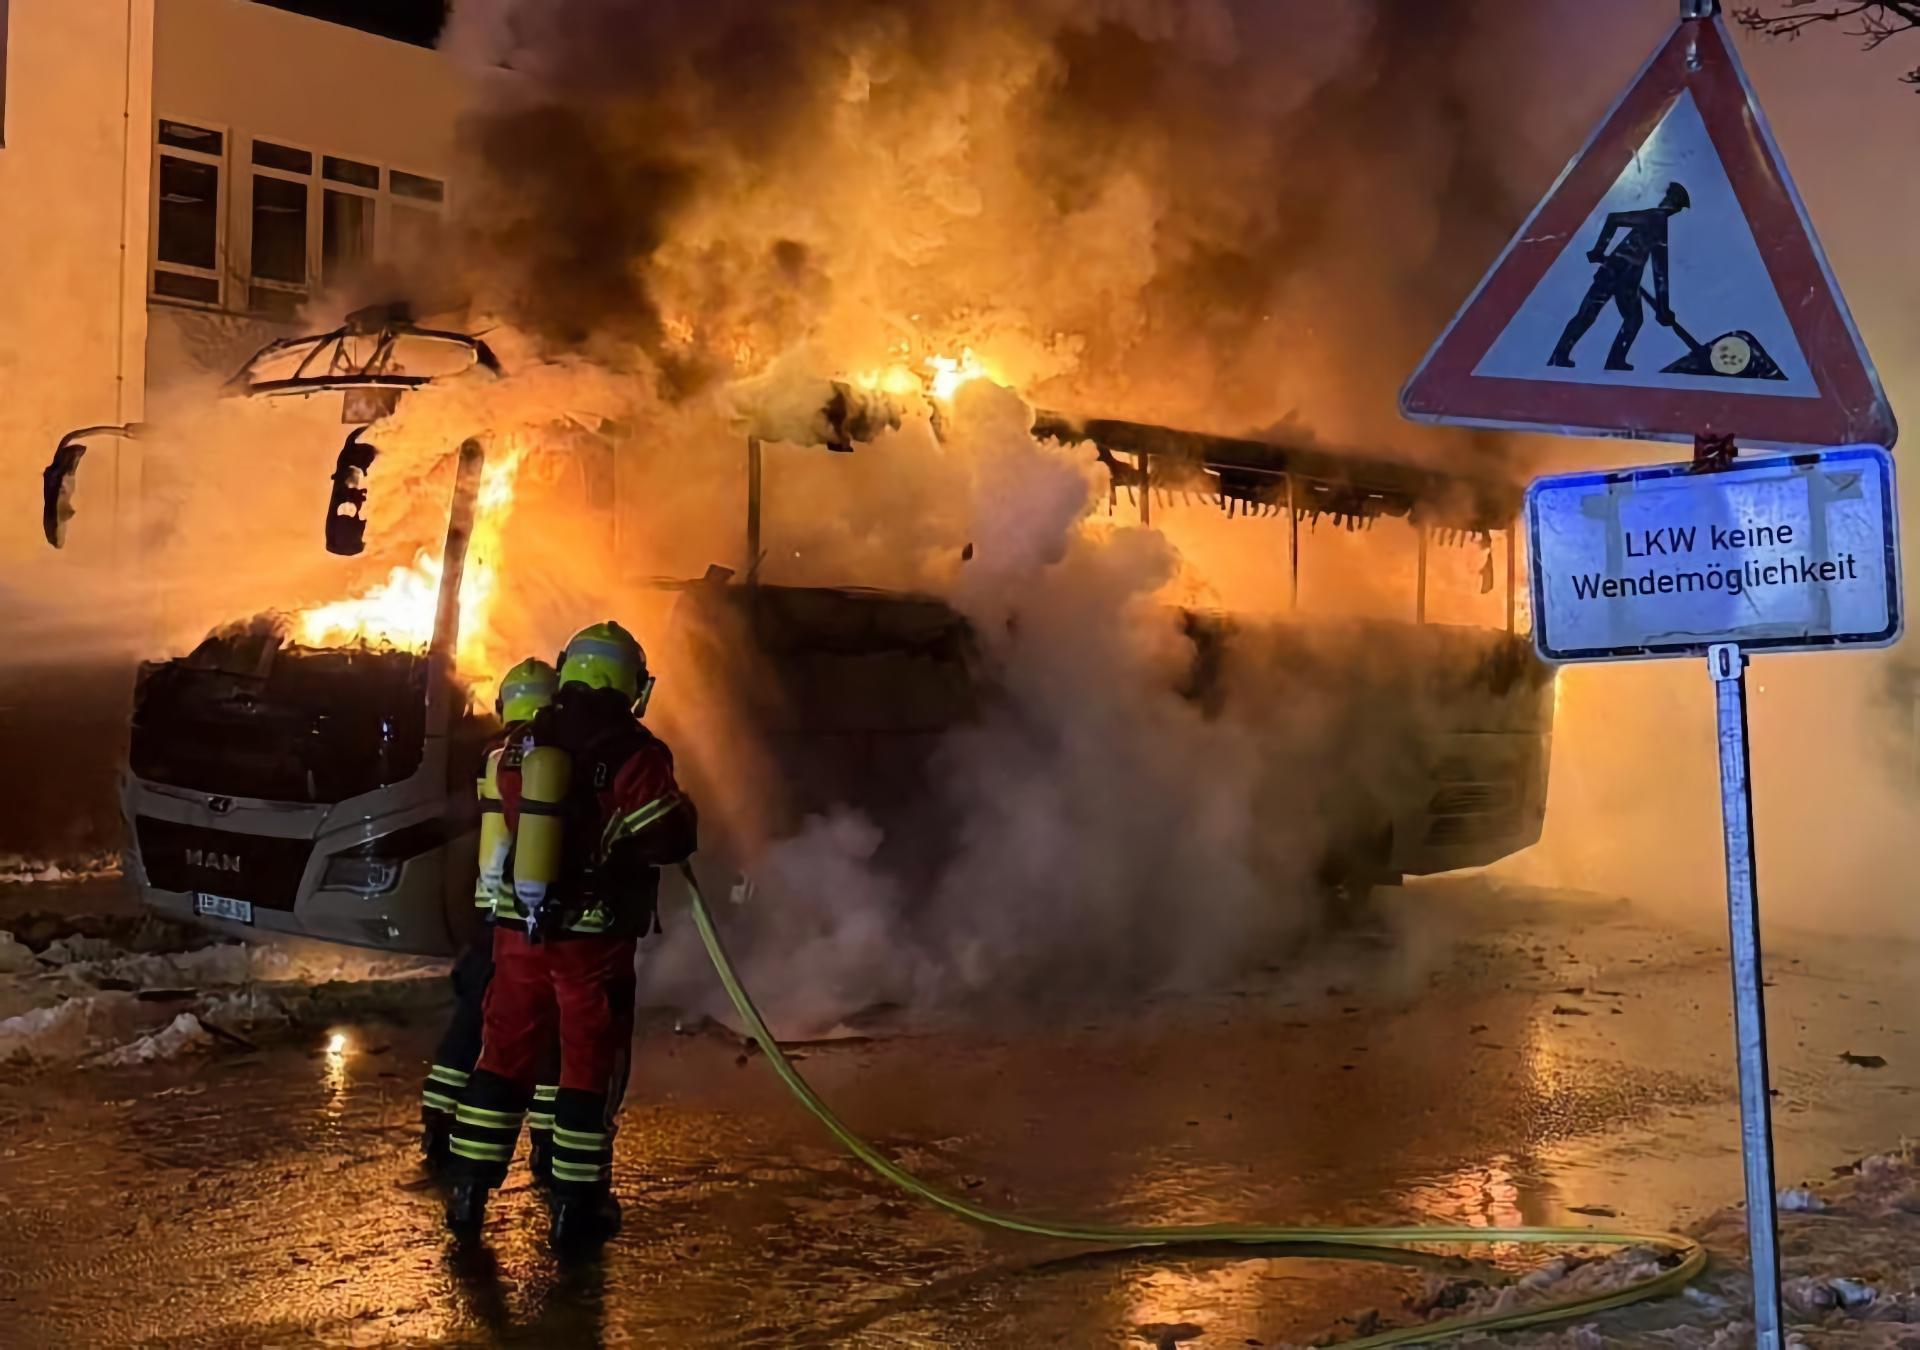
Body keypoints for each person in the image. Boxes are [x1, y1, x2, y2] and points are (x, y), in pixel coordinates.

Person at [445, 621, 698, 1250]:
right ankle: (575, 1208)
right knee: (587, 1068)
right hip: (592, 944)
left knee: (502, 1059)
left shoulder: (520, 744)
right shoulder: (632, 750)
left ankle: (469, 1194)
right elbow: (668, 835)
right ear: (629, 681)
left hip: (517, 937)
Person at [421, 657, 564, 1177]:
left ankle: (441, 1125)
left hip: (493, 916)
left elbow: (491, 848)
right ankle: (550, 1150)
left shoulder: (497, 759)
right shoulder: (555, 761)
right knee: (551, 1031)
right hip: (539, 921)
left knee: (476, 1018)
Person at [1548, 180, 1690, 372]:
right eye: (1677, 207)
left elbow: (1659, 270)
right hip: (1616, 276)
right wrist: (1598, 249)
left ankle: (1578, 357)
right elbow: (1614, 218)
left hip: (1625, 282)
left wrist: (1663, 308)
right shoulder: (1655, 218)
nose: (1675, 211)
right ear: (1672, 203)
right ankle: (1576, 357)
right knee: (1594, 316)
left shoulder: (1658, 223)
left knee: (1611, 317)